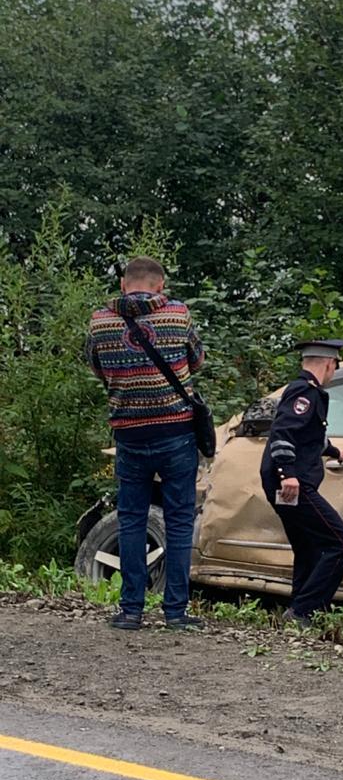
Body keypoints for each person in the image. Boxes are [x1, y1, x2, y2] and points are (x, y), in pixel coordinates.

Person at [86, 256, 206, 631]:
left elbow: (96, 367)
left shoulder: (99, 321)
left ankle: (131, 610)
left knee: (133, 520)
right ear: (160, 285)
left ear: (124, 285)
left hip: (129, 435)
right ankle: (175, 612)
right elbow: (197, 360)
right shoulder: (178, 314)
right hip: (176, 434)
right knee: (180, 521)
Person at [260, 339, 343, 626]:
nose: (334, 373)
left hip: (290, 480)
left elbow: (307, 435)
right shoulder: (305, 391)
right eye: (335, 367)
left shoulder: (307, 391)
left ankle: (299, 610)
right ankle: (304, 610)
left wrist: (335, 452)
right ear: (329, 364)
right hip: (293, 482)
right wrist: (287, 474)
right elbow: (283, 433)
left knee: (308, 547)